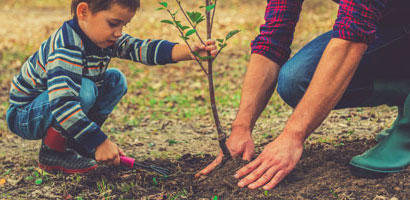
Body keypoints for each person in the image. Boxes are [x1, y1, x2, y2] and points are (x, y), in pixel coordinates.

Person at [197, 0, 410, 190]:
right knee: (297, 79)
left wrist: (293, 136)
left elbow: (351, 39)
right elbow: (273, 37)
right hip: (394, 21)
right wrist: (242, 127)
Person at [6, 0, 217, 174]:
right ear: (84, 11)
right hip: (26, 115)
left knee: (115, 80)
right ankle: (53, 153)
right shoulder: (66, 47)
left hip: (55, 106)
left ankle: (78, 145)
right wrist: (99, 142)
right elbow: (62, 103)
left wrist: (188, 52)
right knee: (85, 89)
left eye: (123, 25)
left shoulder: (103, 38)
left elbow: (141, 48)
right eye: (113, 23)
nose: (119, 32)